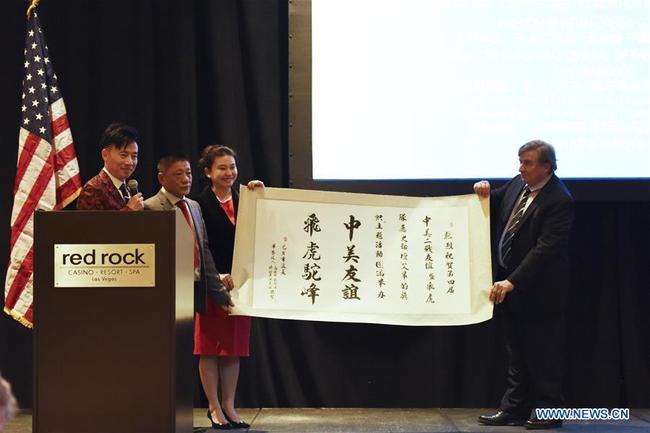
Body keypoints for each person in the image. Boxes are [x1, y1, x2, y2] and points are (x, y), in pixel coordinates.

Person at [475, 140, 574, 429]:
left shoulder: (559, 200)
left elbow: (545, 250)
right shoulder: (519, 184)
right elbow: (495, 198)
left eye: (527, 163)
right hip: (510, 286)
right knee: (516, 353)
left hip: (540, 292)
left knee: (543, 356)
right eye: (520, 161)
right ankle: (514, 409)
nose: (521, 168)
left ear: (546, 166)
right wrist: (483, 190)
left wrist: (512, 281)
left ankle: (548, 412)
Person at [143, 155, 234, 429]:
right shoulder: (150, 207)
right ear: (162, 178)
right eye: (178, 174)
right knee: (165, 355)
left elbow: (203, 252)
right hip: (166, 294)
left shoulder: (194, 206)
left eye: (188, 174)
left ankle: (193, 412)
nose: (186, 180)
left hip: (195, 289)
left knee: (190, 352)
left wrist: (219, 293)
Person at [194, 145, 263, 430]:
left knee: (233, 349)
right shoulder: (199, 204)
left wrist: (261, 195)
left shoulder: (244, 199)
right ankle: (213, 407)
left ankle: (229, 406)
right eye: (222, 168)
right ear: (208, 172)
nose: (229, 173)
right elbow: (198, 247)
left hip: (240, 286)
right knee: (210, 348)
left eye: (232, 167)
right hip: (212, 284)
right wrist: (217, 275)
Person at [77, 122, 144, 211]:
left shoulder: (128, 188)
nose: (130, 162)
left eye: (134, 156)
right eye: (123, 155)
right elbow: (90, 225)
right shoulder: (93, 190)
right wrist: (129, 211)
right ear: (105, 155)